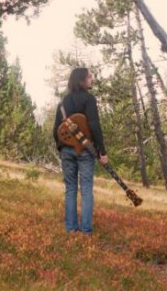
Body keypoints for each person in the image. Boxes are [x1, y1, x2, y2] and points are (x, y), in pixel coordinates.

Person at [53, 67, 108, 235]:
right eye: (89, 76)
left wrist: (62, 148)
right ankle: (85, 230)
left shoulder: (63, 103)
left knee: (70, 189)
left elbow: (56, 130)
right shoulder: (89, 99)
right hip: (85, 151)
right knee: (86, 189)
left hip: (66, 151)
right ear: (81, 80)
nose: (92, 79)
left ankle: (71, 229)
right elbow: (93, 125)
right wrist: (102, 152)